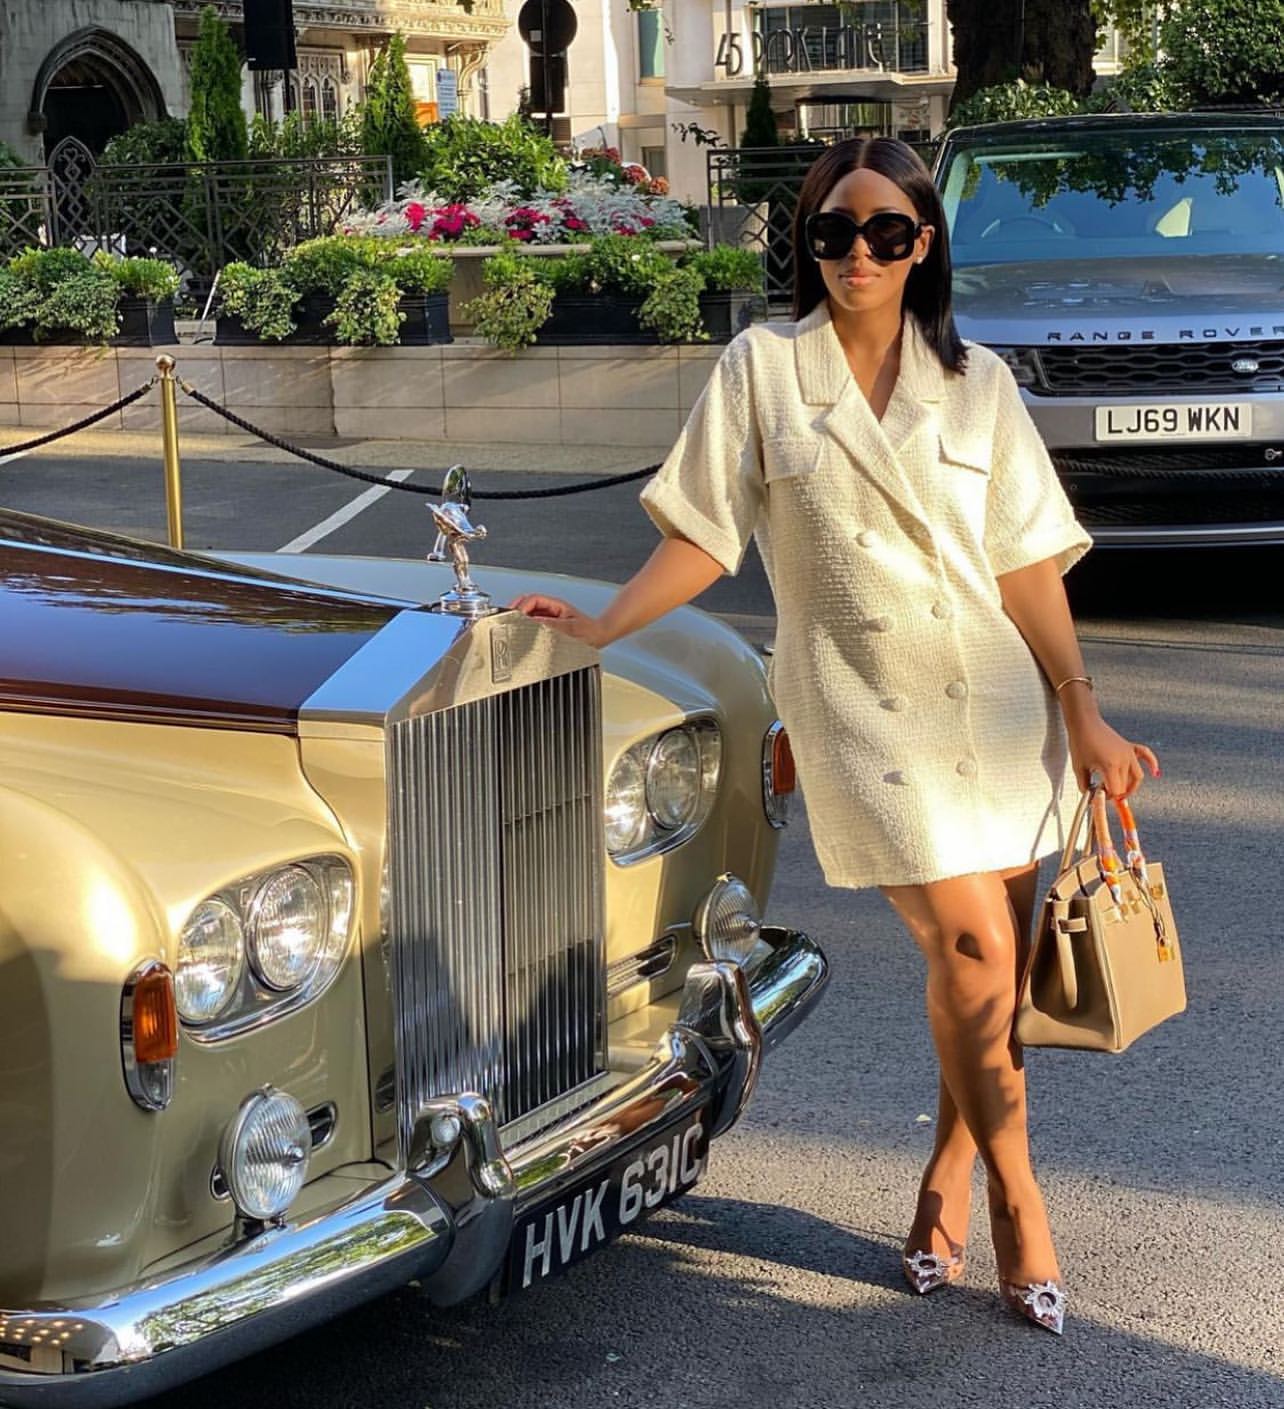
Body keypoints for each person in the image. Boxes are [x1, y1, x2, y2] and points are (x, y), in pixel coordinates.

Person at [510, 137, 1159, 1337]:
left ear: (923, 245)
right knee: (971, 944)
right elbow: (704, 534)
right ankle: (1021, 1200)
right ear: (806, 245)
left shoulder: (978, 382)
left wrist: (1083, 704)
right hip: (858, 704)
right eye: (832, 232)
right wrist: (601, 623)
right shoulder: (764, 369)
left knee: (991, 971)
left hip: (997, 703)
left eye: (886, 232)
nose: (859, 253)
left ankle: (946, 1172)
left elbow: (1024, 562)